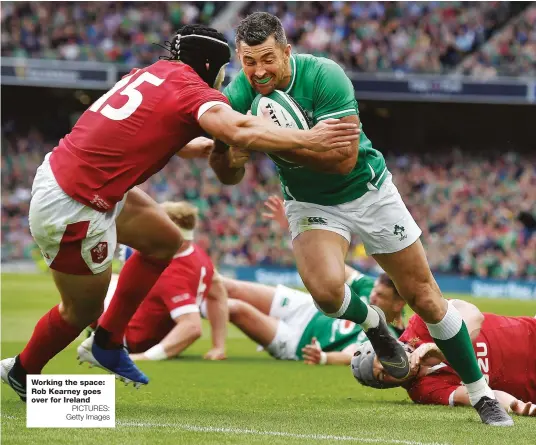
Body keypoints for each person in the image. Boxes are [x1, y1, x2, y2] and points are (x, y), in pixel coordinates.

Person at [0, 24, 359, 402]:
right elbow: (237, 127)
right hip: (76, 204)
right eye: (224, 69)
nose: (224, 79)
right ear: (210, 65)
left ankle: (107, 342)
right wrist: (308, 138)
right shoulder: (192, 89)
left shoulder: (152, 74)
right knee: (81, 308)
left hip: (75, 176)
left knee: (166, 242)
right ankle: (24, 371)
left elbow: (167, 134)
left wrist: (209, 148)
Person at [210, 12, 512, 425]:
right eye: (249, 61)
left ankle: (482, 395)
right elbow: (229, 176)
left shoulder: (325, 77)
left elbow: (342, 160)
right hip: (308, 202)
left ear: (287, 52)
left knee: (425, 297)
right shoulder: (239, 94)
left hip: (368, 192)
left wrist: (270, 140)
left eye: (267, 59)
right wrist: (229, 154)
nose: (258, 71)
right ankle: (376, 326)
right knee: (327, 294)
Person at [87, 201, 228, 362]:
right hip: (158, 334)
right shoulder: (199, 255)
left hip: (130, 340)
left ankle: (94, 332)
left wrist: (145, 357)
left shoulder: (170, 271)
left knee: (96, 281)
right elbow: (217, 292)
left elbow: (192, 326)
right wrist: (219, 346)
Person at [352, 300, 536, 418]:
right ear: (386, 386)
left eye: (384, 359)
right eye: (384, 375)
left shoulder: (420, 324)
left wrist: (443, 348)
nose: (391, 368)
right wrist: (515, 405)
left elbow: (473, 314)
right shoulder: (422, 391)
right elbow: (480, 396)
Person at [224, 267, 405, 365]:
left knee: (234, 308)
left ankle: (193, 312)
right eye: (374, 291)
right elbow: (336, 266)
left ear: (398, 304)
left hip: (298, 341)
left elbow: (352, 355)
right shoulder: (367, 287)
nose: (373, 296)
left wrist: (324, 358)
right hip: (306, 308)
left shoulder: (387, 335)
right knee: (230, 287)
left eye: (380, 295)